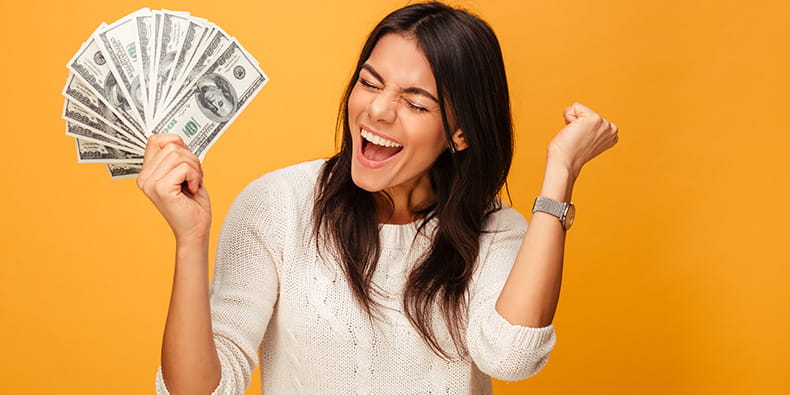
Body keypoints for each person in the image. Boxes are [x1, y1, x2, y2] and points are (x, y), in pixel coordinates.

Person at [137, 2, 618, 394]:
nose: (378, 110)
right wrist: (190, 239)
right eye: (369, 82)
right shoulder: (278, 204)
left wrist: (561, 172)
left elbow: (512, 357)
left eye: (415, 103)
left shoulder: (496, 231)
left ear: (461, 131)